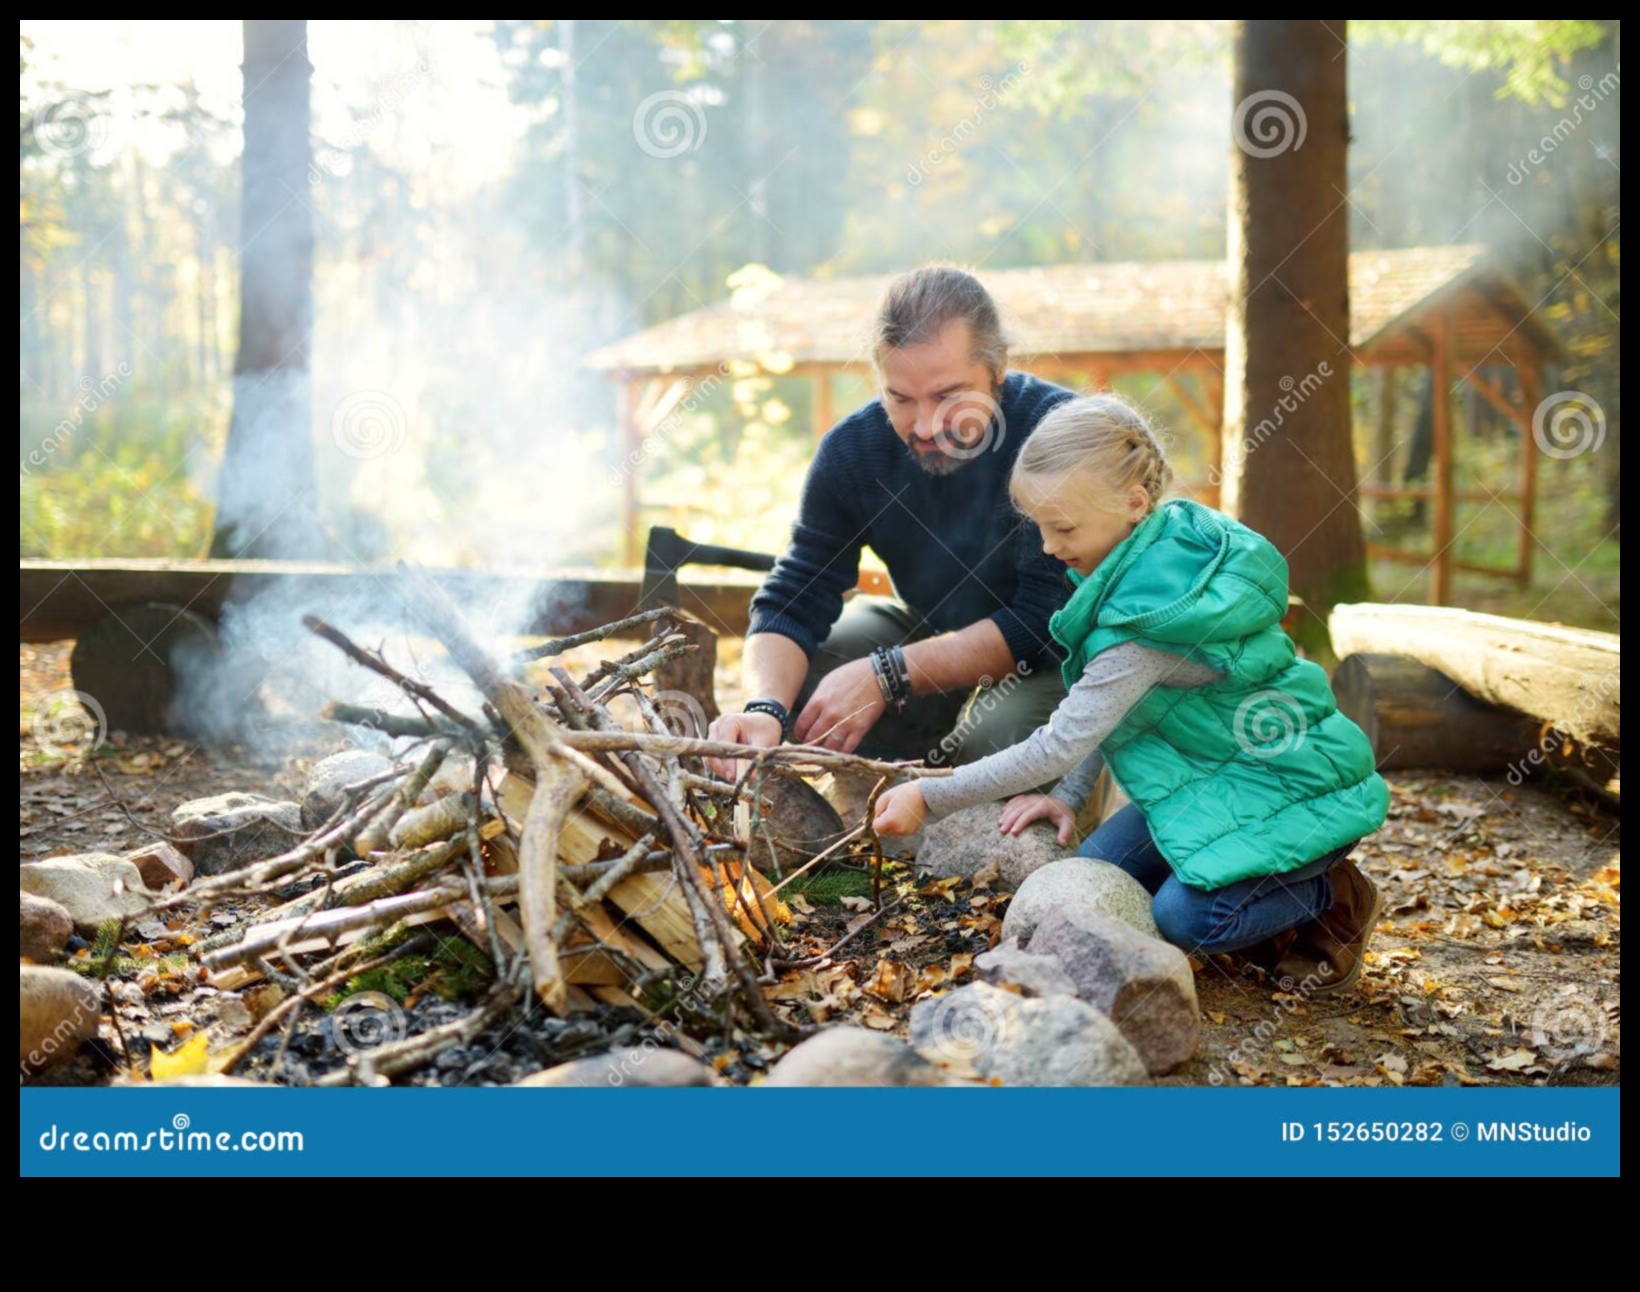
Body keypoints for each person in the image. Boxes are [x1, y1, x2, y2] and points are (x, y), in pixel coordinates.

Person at [871, 393, 1390, 992]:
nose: (1046, 546)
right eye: (1038, 525)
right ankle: (1265, 903)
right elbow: (1112, 709)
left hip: (1290, 785)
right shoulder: (1150, 557)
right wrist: (1067, 797)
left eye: (1062, 527)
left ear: (1134, 503)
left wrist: (930, 798)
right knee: (1100, 880)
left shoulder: (1150, 621)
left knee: (1187, 919)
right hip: (1212, 775)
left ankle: (1334, 896)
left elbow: (1057, 742)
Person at [706, 266, 1077, 775]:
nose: (925, 426)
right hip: (931, 626)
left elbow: (1045, 622)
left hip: (1063, 656)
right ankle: (892, 788)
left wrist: (888, 673)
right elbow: (795, 593)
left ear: (998, 368)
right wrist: (765, 707)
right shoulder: (854, 452)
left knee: (997, 739)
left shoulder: (1058, 434)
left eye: (949, 395)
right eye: (899, 398)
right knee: (809, 684)